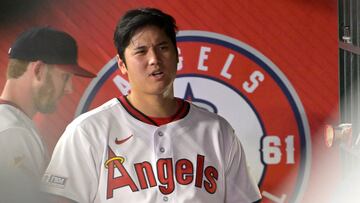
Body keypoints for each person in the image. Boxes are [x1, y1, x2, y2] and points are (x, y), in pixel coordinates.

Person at [42, 7, 261, 203]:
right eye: (141, 51)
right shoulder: (88, 131)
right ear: (122, 64)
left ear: (177, 56)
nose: (154, 59)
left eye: (163, 47)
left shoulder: (217, 131)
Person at [0, 26, 96, 202]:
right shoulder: (12, 132)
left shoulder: (12, 125)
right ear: (38, 70)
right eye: (65, 77)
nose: (69, 89)